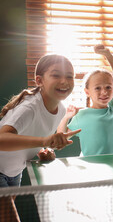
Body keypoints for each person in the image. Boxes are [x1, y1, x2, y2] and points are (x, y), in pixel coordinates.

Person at [0, 54, 80, 188]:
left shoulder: (60, 109)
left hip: (15, 171)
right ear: (39, 80)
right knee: (9, 210)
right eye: (56, 75)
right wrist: (43, 141)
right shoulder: (29, 108)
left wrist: (42, 150)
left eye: (69, 76)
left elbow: (33, 132)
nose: (64, 81)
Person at [57, 44, 113, 156]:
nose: (104, 92)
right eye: (98, 88)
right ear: (87, 92)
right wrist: (65, 118)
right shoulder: (81, 115)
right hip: (90, 168)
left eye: (108, 87)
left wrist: (107, 55)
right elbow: (61, 138)